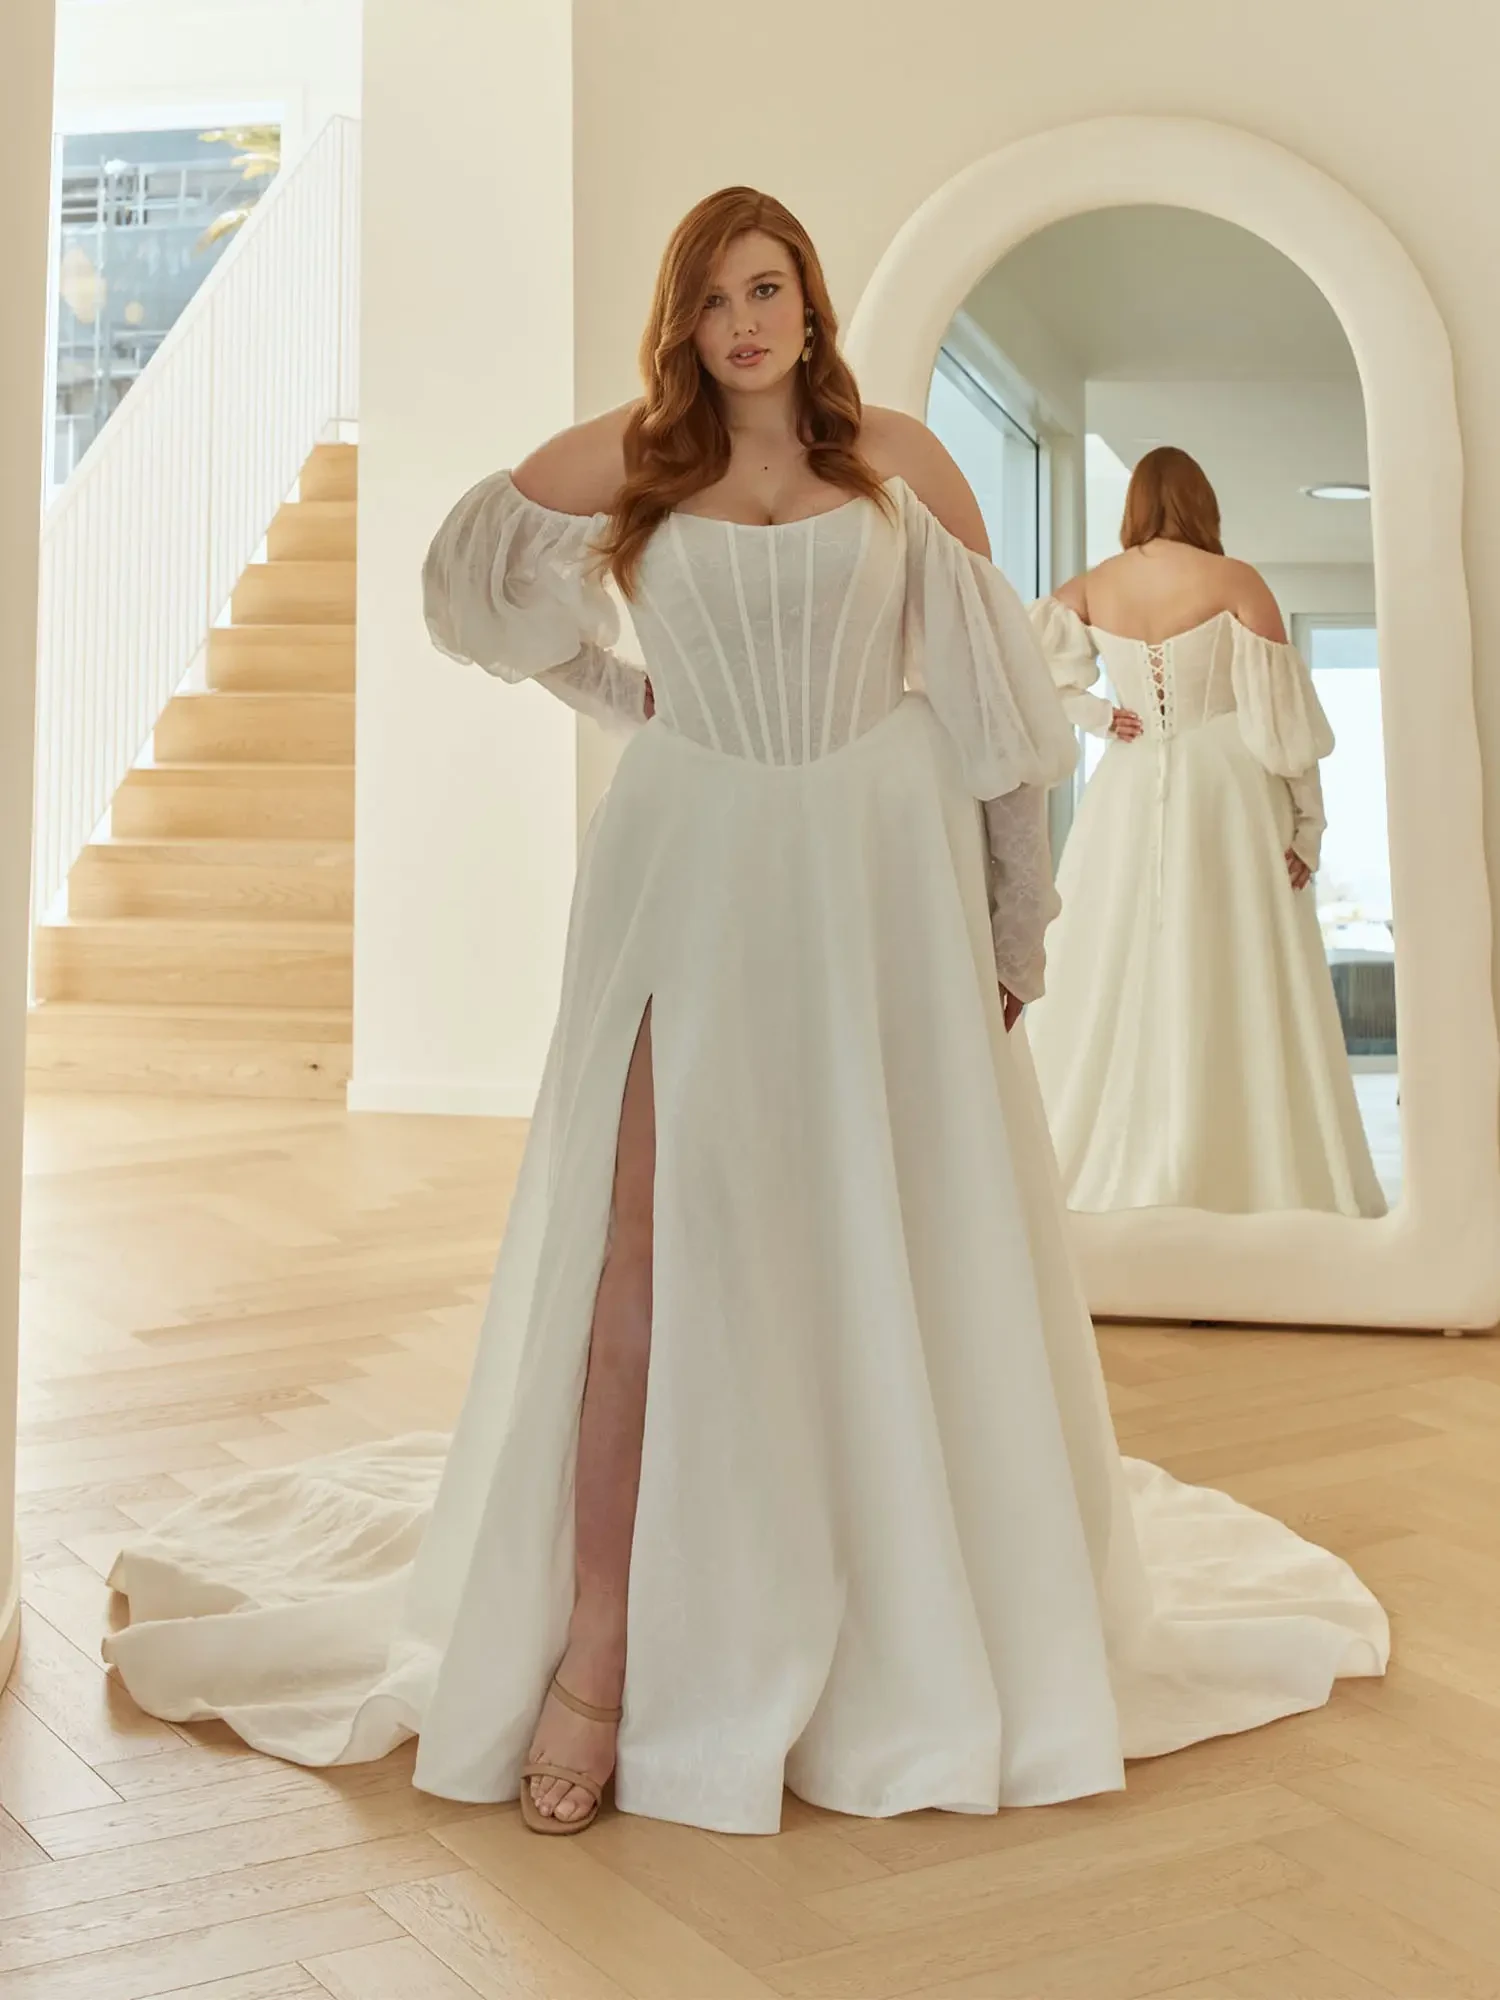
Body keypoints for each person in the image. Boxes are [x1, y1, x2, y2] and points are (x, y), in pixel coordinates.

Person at [102, 194, 1387, 1838]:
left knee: (873, 1225)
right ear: (686, 321)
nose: (745, 323)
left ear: (808, 298)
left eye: (767, 286)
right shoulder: (645, 456)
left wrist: (1017, 920)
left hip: (872, 864)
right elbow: (474, 571)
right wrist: (615, 686)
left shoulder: (903, 464)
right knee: (645, 1241)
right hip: (689, 857)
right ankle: (600, 1656)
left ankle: (878, 1615)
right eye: (713, 299)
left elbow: (1001, 722)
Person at [1026, 447, 1388, 1218]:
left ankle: (1118, 1157)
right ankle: (1243, 1168)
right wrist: (1308, 828)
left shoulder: (1096, 584)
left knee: (1122, 953)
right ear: (1202, 503)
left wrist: (1097, 717)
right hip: (1227, 788)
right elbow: (1280, 721)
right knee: (1235, 958)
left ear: (1137, 503)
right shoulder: (1236, 582)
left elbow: (1027, 669)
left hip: (1126, 785)